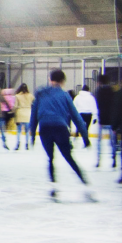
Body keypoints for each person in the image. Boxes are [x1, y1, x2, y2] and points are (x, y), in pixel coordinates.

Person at [31, 70, 91, 201]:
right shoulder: (65, 95)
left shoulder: (40, 94)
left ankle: (53, 187)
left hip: (45, 129)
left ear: (49, 79)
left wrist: (31, 134)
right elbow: (76, 117)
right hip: (60, 128)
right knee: (68, 157)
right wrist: (85, 137)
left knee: (50, 158)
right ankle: (85, 184)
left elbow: (33, 114)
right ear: (63, 81)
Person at [93, 75, 121, 168]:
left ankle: (98, 160)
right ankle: (114, 159)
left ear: (99, 82)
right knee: (112, 141)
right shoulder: (112, 91)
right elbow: (115, 106)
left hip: (102, 120)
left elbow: (98, 105)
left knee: (99, 141)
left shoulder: (99, 92)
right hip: (111, 120)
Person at [71, 84, 96, 149]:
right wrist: (95, 117)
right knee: (86, 129)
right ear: (88, 90)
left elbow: (74, 106)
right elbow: (94, 107)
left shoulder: (78, 97)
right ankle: (86, 142)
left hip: (80, 114)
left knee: (78, 128)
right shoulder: (91, 97)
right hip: (88, 115)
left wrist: (73, 114)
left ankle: (73, 142)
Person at [13, 83, 34, 151]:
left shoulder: (17, 96)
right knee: (27, 131)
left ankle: (18, 144)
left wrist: (12, 112)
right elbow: (34, 103)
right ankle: (27, 144)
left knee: (19, 131)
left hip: (20, 113)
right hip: (28, 113)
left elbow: (15, 106)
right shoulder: (30, 95)